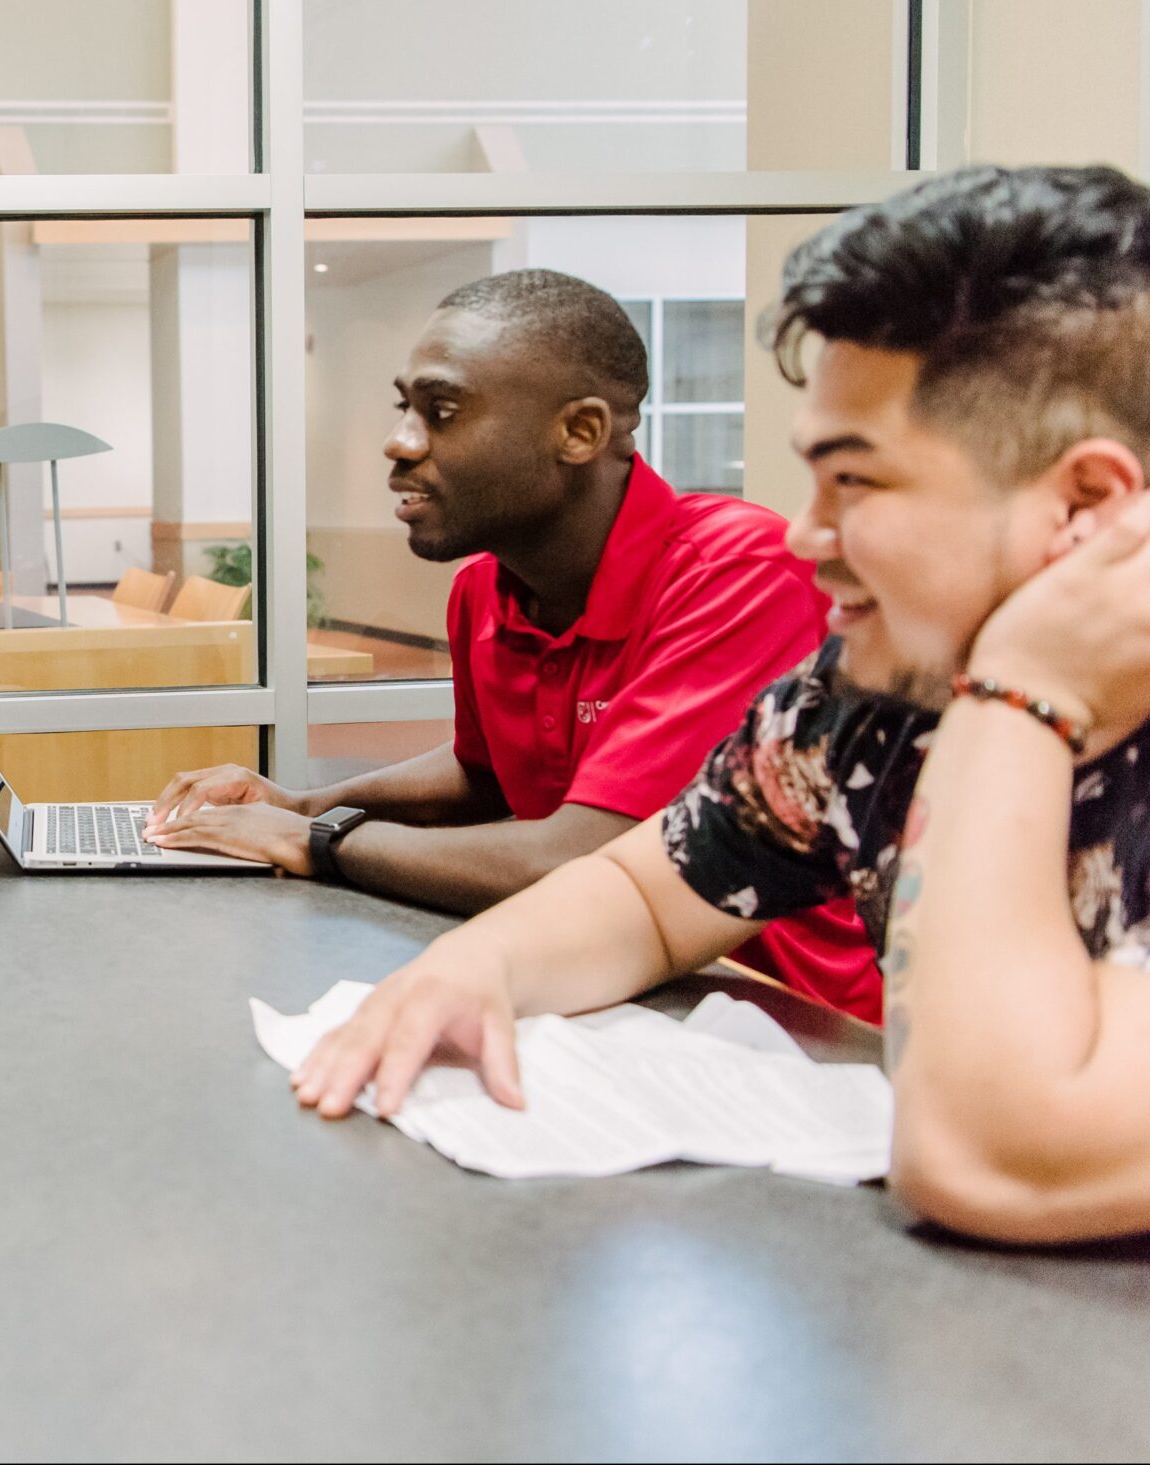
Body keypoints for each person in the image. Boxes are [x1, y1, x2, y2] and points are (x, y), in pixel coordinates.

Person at [291, 165, 1150, 1246]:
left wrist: (1023, 695)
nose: (804, 534)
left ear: (1085, 505)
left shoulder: (983, 694)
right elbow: (647, 898)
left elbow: (981, 1153)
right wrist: (476, 970)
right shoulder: (852, 713)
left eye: (858, 484)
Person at [146, 269, 878, 1020]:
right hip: (615, 997)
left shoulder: (737, 571)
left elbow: (581, 852)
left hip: (792, 1020)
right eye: (406, 407)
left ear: (581, 431)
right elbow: (484, 773)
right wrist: (299, 801)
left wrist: (319, 839)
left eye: (443, 410)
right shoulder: (483, 590)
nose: (398, 442)